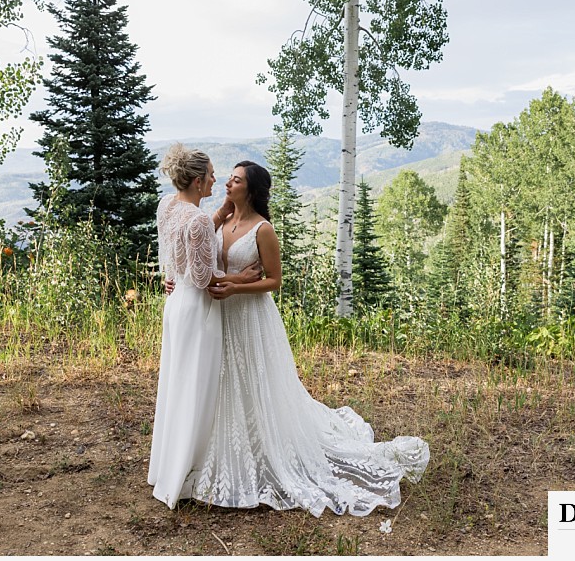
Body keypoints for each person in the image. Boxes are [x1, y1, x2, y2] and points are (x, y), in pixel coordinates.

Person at [186, 160, 430, 517]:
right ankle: (233, 445)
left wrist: (238, 288)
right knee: (228, 380)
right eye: (228, 177)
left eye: (235, 180)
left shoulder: (263, 229)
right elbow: (204, 258)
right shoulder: (222, 220)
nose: (227, 182)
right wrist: (216, 280)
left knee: (258, 379)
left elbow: (273, 281)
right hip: (224, 313)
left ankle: (270, 446)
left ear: (250, 189)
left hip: (252, 314)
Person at [148, 144, 260, 508]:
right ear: (198, 182)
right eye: (212, 174)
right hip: (198, 309)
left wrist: (217, 215)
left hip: (176, 304)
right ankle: (191, 466)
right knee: (198, 385)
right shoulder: (196, 218)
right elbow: (204, 279)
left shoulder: (168, 204)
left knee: (177, 382)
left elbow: (178, 249)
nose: (217, 179)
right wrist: (239, 276)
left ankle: (169, 467)